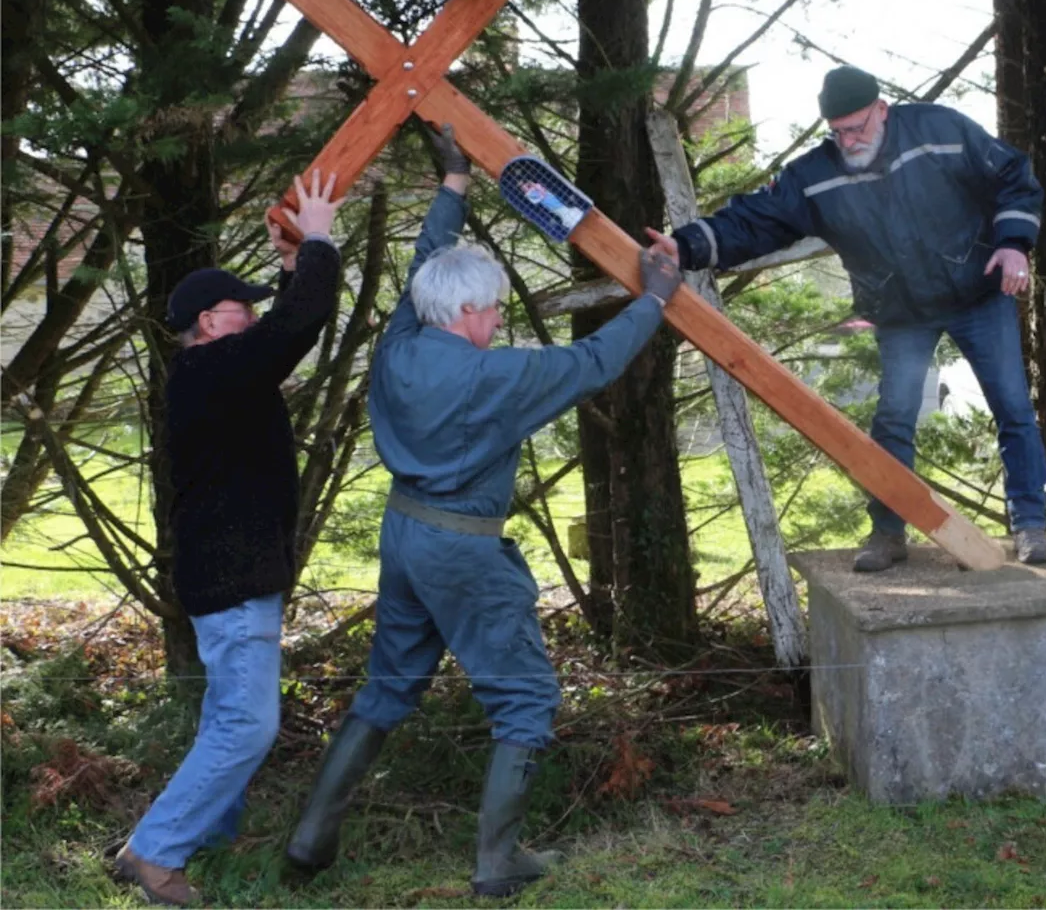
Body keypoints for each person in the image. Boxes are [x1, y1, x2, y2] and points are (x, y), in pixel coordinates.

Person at [285, 125, 682, 897]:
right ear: (465, 307)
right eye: (493, 309)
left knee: (388, 688)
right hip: (463, 549)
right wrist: (657, 297)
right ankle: (499, 861)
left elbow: (422, 269)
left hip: (403, 537)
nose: (499, 319)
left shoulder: (400, 344)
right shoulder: (493, 378)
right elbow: (598, 361)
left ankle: (310, 836)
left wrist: (455, 185)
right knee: (525, 695)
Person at [647, 64, 1046, 570]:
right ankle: (887, 532)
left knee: (1012, 404)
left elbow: (1014, 175)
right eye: (837, 131)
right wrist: (684, 246)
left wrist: (1015, 244)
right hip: (902, 310)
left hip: (978, 292)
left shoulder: (941, 131)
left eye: (857, 127)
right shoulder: (815, 175)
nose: (848, 140)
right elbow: (757, 219)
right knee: (894, 418)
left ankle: (1031, 525)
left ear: (882, 109)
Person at [114, 171, 343, 906]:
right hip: (235, 576)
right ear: (208, 322)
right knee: (248, 722)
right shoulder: (211, 371)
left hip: (236, 572)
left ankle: (204, 836)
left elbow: (283, 321)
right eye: (238, 307)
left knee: (227, 711)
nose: (250, 314)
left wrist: (289, 265)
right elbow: (298, 323)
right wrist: (319, 239)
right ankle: (154, 851)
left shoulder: (215, 372)